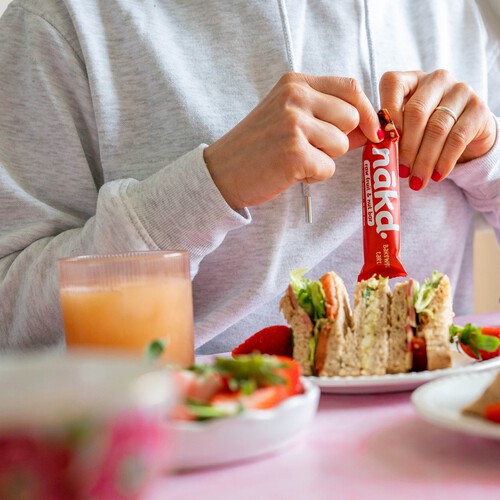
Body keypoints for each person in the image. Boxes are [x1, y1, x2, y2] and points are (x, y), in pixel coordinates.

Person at [0, 0, 498, 354]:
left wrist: (488, 156)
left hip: (430, 431)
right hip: (194, 449)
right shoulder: (60, 20)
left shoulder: (459, 13)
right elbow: (14, 329)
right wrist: (207, 187)